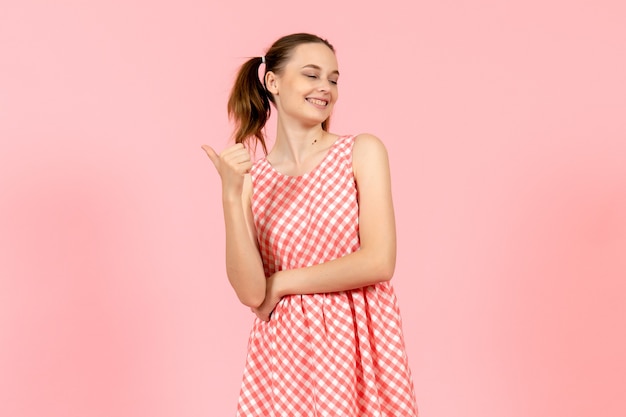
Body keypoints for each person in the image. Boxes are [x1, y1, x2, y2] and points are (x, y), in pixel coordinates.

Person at [202, 33, 419, 417]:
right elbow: (253, 294)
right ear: (273, 83)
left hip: (361, 345)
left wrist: (283, 281)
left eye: (333, 79)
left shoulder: (361, 151)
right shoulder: (254, 179)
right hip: (287, 352)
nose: (325, 88)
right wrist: (231, 196)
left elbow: (379, 262)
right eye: (311, 75)